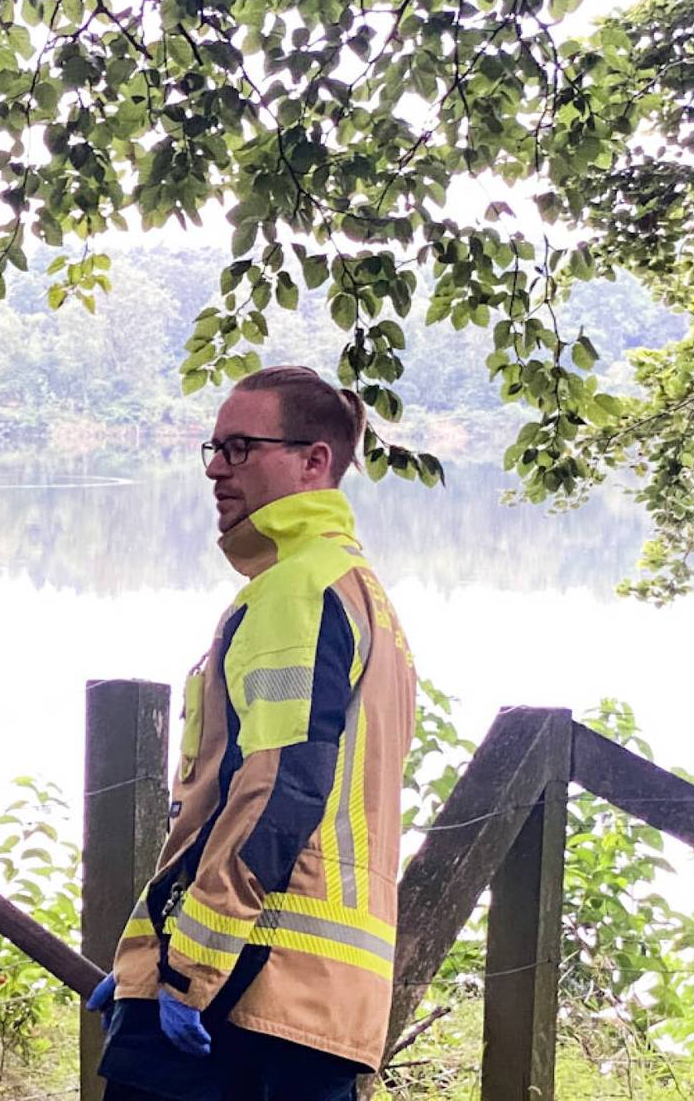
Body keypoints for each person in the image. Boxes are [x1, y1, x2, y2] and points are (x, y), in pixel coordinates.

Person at [89, 366, 416, 1101]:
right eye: (213, 447)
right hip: (319, 1004)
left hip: (243, 995)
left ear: (314, 461)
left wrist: (184, 970)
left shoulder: (297, 590)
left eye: (240, 448)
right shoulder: (363, 594)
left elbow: (277, 789)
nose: (215, 468)